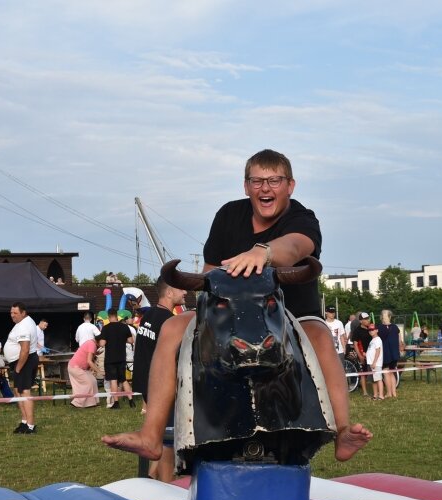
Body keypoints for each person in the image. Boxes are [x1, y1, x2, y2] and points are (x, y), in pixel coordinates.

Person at [102, 149, 371, 463]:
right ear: (246, 186)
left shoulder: (302, 217)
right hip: (228, 312)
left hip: (286, 312)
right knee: (173, 326)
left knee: (321, 336)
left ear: (290, 186)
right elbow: (209, 274)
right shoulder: (228, 215)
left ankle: (342, 431)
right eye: (257, 181)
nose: (265, 188)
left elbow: (297, 246)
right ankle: (151, 434)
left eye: (274, 180)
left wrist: (264, 252)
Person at [131, 276, 187, 482]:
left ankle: (151, 476)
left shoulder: (148, 316)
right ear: (169, 292)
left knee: (160, 434)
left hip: (147, 382)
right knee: (168, 439)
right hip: (161, 385)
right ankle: (167, 487)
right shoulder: (169, 321)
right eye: (181, 289)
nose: (186, 292)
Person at [5, 301, 39, 434]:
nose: (12, 315)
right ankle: (24, 422)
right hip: (22, 361)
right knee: (18, 391)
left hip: (24, 361)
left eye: (15, 313)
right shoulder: (23, 323)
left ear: (23, 313)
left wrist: (18, 368)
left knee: (24, 392)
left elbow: (25, 350)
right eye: (11, 313)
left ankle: (30, 425)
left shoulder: (24, 326)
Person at [96, 308, 135, 409]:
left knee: (113, 380)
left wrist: (99, 341)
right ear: (116, 316)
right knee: (123, 379)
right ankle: (131, 401)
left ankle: (116, 403)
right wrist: (121, 340)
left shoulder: (106, 328)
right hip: (122, 357)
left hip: (110, 359)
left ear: (109, 317)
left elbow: (102, 343)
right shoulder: (124, 327)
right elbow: (131, 341)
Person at [67, 335, 100, 408]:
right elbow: (89, 361)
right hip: (75, 367)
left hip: (82, 368)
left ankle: (93, 402)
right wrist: (99, 371)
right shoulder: (92, 344)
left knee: (93, 381)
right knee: (88, 382)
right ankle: (77, 403)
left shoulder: (92, 344)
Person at [377, 309, 404, 399]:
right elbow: (400, 340)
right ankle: (392, 392)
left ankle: (390, 392)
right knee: (391, 372)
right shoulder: (393, 327)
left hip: (388, 353)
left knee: (387, 372)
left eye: (383, 315)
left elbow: (399, 340)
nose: (383, 317)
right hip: (391, 353)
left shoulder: (381, 328)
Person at [350, 312, 374, 398]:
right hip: (362, 354)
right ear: (361, 321)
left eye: (368, 318)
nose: (368, 320)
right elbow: (355, 344)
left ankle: (376, 391)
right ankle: (365, 392)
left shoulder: (371, 328)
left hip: (372, 354)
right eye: (366, 319)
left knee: (374, 371)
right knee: (363, 373)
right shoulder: (357, 331)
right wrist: (360, 355)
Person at [365, 324, 384, 400]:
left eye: (372, 330)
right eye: (369, 330)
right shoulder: (372, 340)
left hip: (376, 363)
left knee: (378, 379)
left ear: (377, 330)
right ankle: (375, 395)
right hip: (370, 363)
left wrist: (374, 362)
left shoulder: (378, 339)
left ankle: (381, 395)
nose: (371, 331)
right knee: (373, 380)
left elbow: (378, 351)